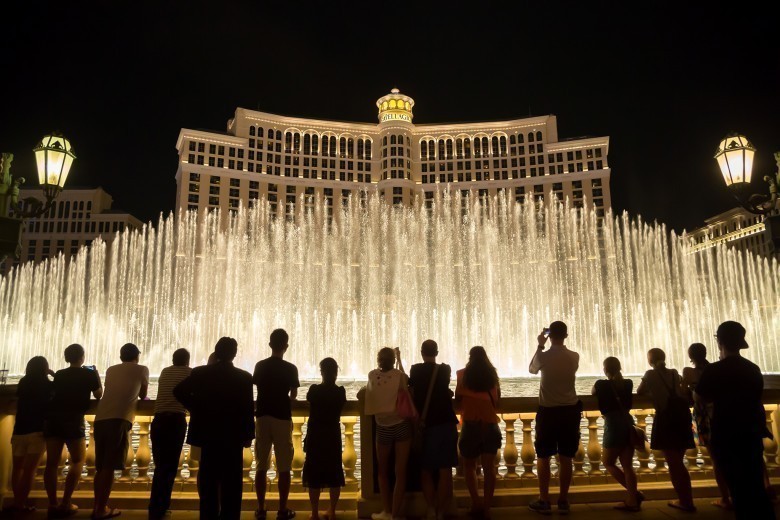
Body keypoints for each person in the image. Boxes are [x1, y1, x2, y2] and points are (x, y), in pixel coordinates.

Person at [695, 321, 775, 520]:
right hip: (752, 433)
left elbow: (699, 397)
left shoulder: (714, 370)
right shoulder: (753, 368)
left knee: (738, 488)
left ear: (720, 341)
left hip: (727, 434)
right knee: (755, 485)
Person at [174, 337, 255, 520]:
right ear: (234, 354)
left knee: (209, 483)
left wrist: (196, 408)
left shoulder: (200, 373)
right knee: (232, 485)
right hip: (233, 438)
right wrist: (249, 435)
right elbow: (247, 408)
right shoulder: (244, 377)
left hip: (207, 436)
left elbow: (178, 391)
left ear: (216, 352)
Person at [527, 321, 580, 515]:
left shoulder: (544, 356)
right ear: (566, 335)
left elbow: (531, 369)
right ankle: (563, 500)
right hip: (570, 411)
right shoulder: (574, 357)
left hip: (548, 411)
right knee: (566, 457)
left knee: (543, 455)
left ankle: (544, 499)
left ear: (549, 335)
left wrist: (540, 344)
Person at [91, 343, 149, 520]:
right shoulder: (142, 369)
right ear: (136, 356)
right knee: (108, 467)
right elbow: (142, 395)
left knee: (100, 468)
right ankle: (101, 510)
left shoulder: (111, 369)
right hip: (119, 419)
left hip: (100, 419)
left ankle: (97, 507)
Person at [43, 344, 102, 518]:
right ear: (82, 357)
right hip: (73, 420)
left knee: (52, 464)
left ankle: (52, 504)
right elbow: (98, 395)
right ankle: (65, 502)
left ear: (66, 358)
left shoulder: (60, 374)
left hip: (53, 420)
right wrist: (96, 375)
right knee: (77, 461)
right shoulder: (89, 373)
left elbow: (57, 391)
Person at [636, 348, 695, 512]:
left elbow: (640, 391)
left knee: (674, 464)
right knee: (679, 462)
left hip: (666, 419)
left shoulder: (650, 374)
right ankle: (686, 499)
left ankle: (685, 502)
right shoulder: (675, 373)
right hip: (682, 418)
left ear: (650, 361)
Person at [253, 329, 300, 520]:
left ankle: (261, 508)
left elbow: (257, 387)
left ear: (270, 344)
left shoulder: (260, 366)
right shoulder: (290, 368)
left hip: (262, 416)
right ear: (286, 346)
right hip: (282, 417)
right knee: (284, 466)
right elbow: (294, 395)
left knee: (260, 465)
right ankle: (282, 509)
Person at [409, 340, 458, 520]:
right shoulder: (445, 370)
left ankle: (430, 508)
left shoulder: (415, 370)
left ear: (421, 353)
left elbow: (411, 389)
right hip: (446, 423)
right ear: (436, 352)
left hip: (427, 425)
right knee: (445, 470)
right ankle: (441, 511)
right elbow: (444, 389)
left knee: (426, 469)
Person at [363, 347, 412, 520]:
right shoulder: (399, 376)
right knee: (401, 471)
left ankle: (387, 510)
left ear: (378, 360)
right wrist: (400, 360)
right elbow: (406, 384)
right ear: (393, 360)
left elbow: (366, 392)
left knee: (382, 471)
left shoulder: (371, 375)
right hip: (401, 425)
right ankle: (396, 514)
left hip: (382, 428)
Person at [681, 343, 731, 510]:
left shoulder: (689, 371)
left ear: (690, 355)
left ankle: (725, 498)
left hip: (705, 417)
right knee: (729, 457)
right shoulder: (716, 369)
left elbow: (686, 394)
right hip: (724, 414)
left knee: (717, 459)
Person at [455, 346, 501, 520]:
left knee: (469, 467)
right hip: (490, 425)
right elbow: (496, 401)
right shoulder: (493, 377)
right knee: (490, 469)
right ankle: (487, 508)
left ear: (470, 357)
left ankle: (476, 503)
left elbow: (458, 398)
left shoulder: (462, 375)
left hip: (471, 424)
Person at [592, 357, 641, 511]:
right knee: (627, 465)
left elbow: (593, 392)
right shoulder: (628, 383)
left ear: (605, 369)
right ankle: (633, 497)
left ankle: (634, 495)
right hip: (627, 423)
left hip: (613, 425)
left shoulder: (601, 384)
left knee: (607, 462)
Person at [148, 348, 192, 520]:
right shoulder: (190, 372)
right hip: (175, 421)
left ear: (173, 360)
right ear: (187, 361)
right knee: (171, 467)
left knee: (160, 467)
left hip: (158, 421)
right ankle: (163, 507)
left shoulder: (165, 371)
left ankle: (154, 508)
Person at [302, 357, 347, 520]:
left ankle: (314, 513)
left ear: (322, 372)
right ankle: (332, 511)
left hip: (315, 435)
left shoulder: (314, 390)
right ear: (336, 373)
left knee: (313, 473)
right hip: (332, 435)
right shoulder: (340, 391)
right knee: (334, 471)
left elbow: (309, 400)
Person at [8, 356, 54, 513]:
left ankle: (16, 502)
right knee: (29, 471)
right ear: (44, 369)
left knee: (17, 469)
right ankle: (21, 504)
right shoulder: (48, 385)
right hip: (37, 432)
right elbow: (57, 393)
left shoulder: (24, 383)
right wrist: (53, 375)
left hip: (19, 430)